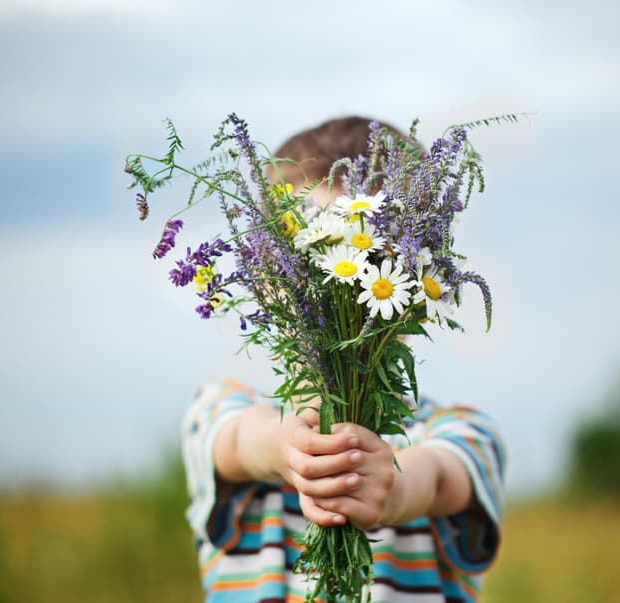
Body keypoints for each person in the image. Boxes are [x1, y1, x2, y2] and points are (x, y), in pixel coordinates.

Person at [181, 117, 505, 603]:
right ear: (265, 274)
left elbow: (437, 478)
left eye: (370, 255)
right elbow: (236, 444)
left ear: (416, 271)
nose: (333, 286)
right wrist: (286, 450)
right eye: (303, 254)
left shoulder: (459, 432)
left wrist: (392, 491)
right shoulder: (220, 411)